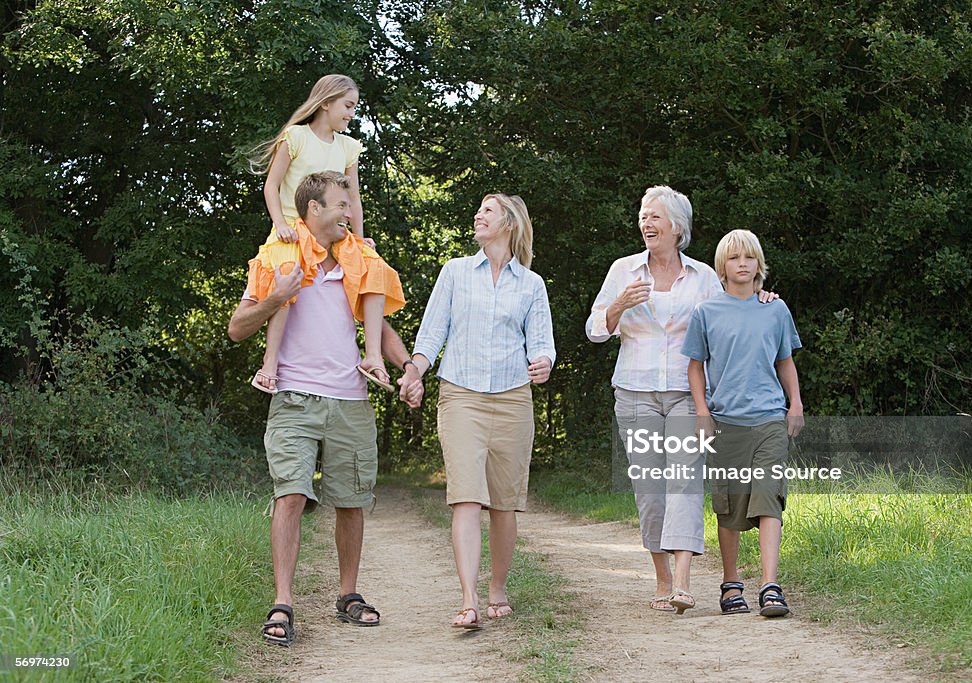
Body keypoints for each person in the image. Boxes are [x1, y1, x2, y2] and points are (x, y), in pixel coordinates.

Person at [228, 171, 425, 646]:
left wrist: (408, 369)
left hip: (350, 399)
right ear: (312, 209)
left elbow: (379, 330)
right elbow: (237, 328)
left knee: (352, 502)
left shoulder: (358, 262)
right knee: (290, 495)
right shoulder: (279, 259)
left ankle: (349, 595)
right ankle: (283, 602)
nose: (348, 213)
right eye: (341, 204)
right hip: (293, 397)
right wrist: (275, 296)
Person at [409, 194, 555, 629]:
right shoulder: (455, 272)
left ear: (509, 223)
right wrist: (414, 372)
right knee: (466, 498)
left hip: (513, 398)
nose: (478, 215)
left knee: (505, 504)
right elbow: (432, 332)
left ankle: (497, 589)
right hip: (462, 396)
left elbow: (542, 343)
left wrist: (544, 363)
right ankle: (469, 598)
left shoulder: (531, 284)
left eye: (488, 210)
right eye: (479, 210)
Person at [585, 185, 724, 615]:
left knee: (684, 481)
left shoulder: (703, 277)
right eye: (643, 216)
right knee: (650, 490)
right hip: (635, 390)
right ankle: (662, 577)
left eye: (655, 216)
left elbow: (727, 328)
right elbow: (594, 329)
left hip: (687, 393)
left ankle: (683, 582)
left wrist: (761, 300)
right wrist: (618, 306)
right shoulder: (623, 270)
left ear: (676, 227)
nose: (646, 222)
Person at [247, 74, 404, 394]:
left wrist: (359, 238)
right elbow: (271, 186)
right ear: (326, 102)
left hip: (333, 231)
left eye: (354, 107)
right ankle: (270, 361)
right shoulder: (296, 137)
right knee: (288, 271)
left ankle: (373, 355)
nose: (351, 113)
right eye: (347, 106)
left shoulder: (348, 147)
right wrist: (280, 225)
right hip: (294, 228)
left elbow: (354, 199)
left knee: (373, 267)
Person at [683, 228, 804, 618]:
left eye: (749, 258)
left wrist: (795, 404)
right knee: (730, 506)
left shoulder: (775, 309)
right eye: (734, 258)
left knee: (769, 496)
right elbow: (695, 366)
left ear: (759, 265)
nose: (742, 264)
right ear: (722, 266)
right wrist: (702, 411)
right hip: (724, 422)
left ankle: (771, 586)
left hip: (769, 418)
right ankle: (731, 584)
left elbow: (785, 360)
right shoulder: (706, 312)